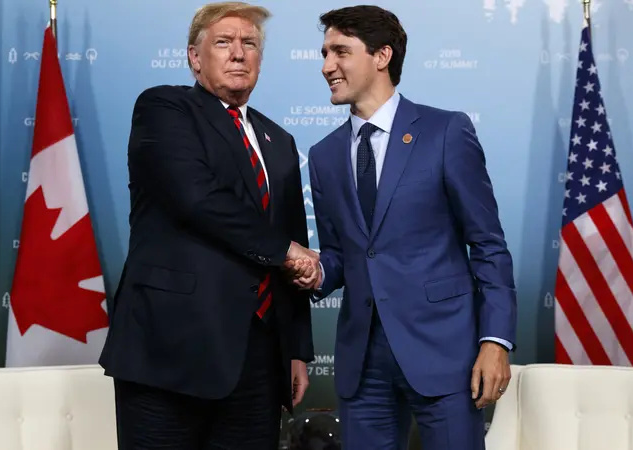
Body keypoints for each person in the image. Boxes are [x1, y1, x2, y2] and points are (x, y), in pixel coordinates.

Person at [292, 5, 517, 449]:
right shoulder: (323, 155)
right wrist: (317, 270)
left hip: (445, 353)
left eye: (340, 52)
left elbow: (488, 244)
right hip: (363, 363)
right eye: (324, 53)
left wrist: (495, 341)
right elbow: (341, 254)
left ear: (381, 56)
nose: (326, 66)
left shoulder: (445, 131)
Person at [98, 2, 319, 449]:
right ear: (195, 59)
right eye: (224, 42)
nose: (238, 53)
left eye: (250, 43)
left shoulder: (281, 141)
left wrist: (295, 350)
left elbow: (290, 236)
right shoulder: (165, 107)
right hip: (169, 350)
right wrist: (289, 251)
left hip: (258, 359)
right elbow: (197, 197)